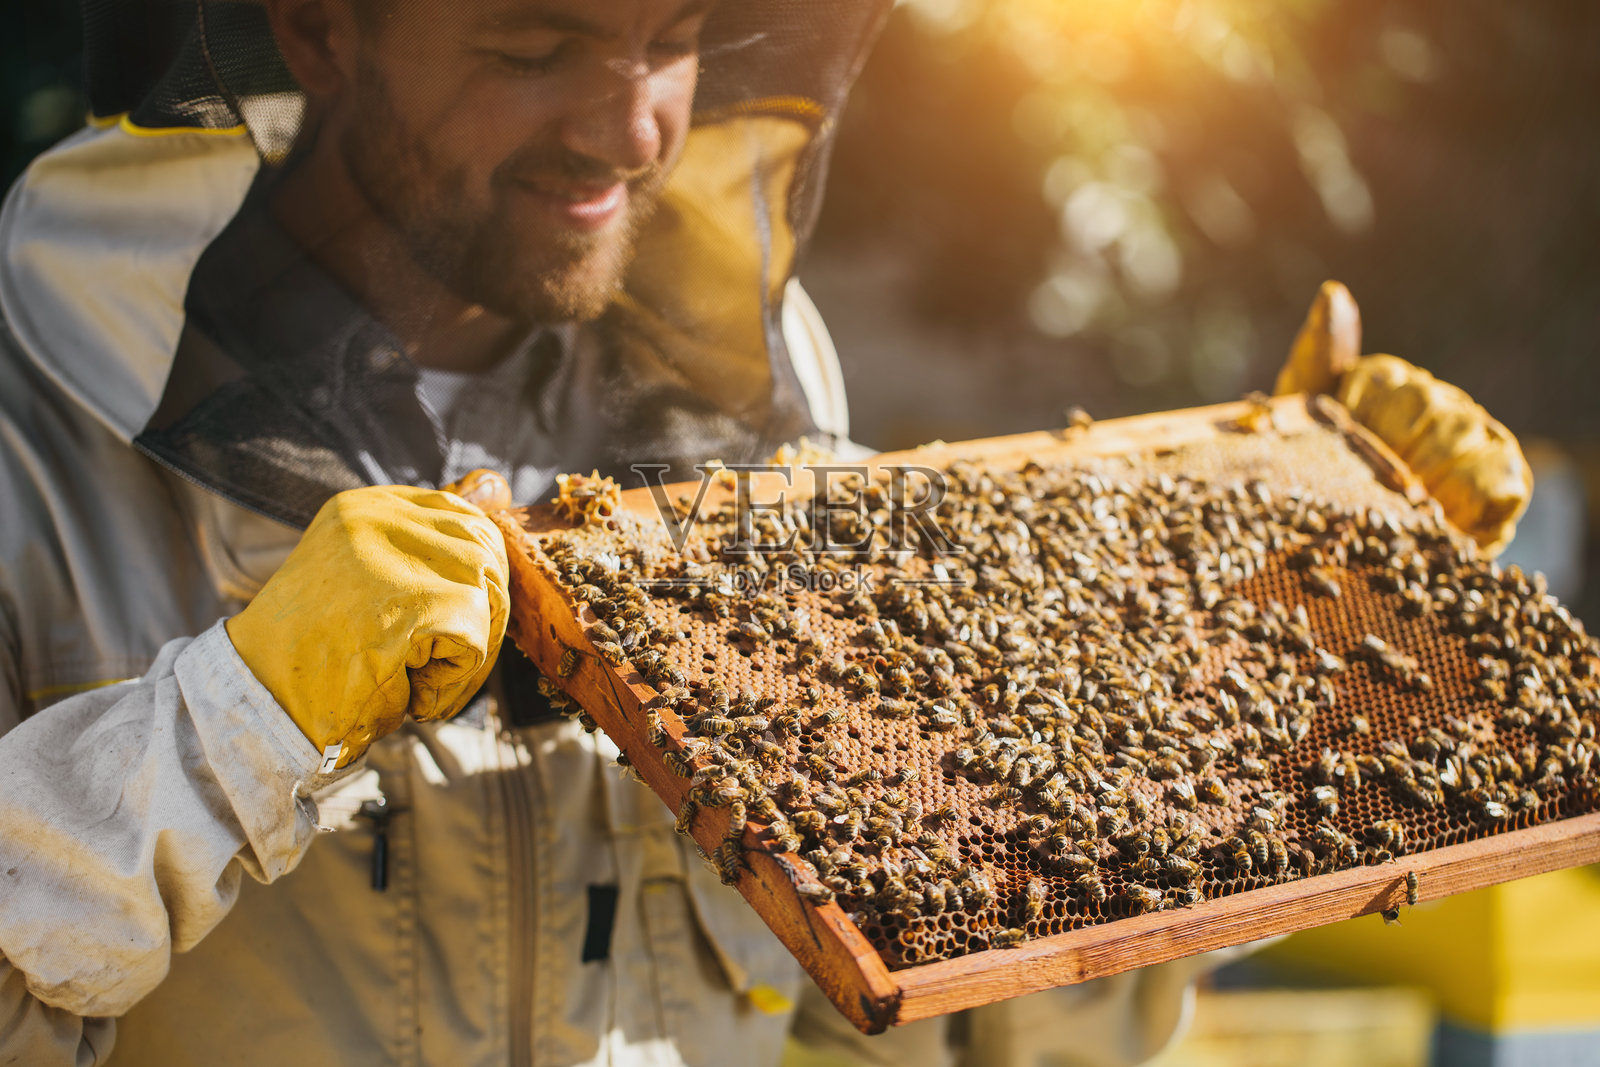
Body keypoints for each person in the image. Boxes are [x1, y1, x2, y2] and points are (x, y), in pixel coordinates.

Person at [0, 0, 1530, 1064]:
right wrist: (223, 736)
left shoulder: (759, 414)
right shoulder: (36, 447)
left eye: (675, 39)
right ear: (321, 24)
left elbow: (967, 1024)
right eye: (538, 45)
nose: (632, 125)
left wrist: (1265, 643)